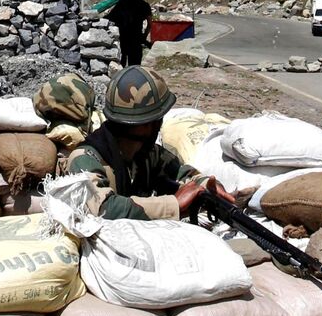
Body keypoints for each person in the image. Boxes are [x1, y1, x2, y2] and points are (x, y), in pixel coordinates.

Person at [65, 66, 228, 220]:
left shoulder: (146, 153)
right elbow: (103, 208)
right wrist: (173, 204)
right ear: (148, 123)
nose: (159, 125)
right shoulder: (85, 159)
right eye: (157, 120)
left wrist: (206, 186)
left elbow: (181, 172)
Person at [107, 0, 153, 67]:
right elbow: (150, 24)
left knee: (121, 64)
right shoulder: (144, 5)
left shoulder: (123, 2)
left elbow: (111, 17)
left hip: (123, 38)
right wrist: (144, 36)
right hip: (136, 38)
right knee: (135, 66)